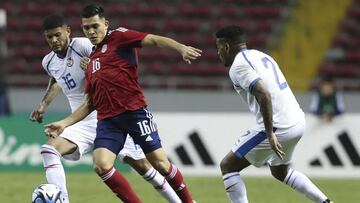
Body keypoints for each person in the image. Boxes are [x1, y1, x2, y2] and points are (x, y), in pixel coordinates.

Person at [44, 5, 201, 203]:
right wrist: (64, 123)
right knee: (101, 165)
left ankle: (188, 201)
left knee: (160, 164)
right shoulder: (91, 60)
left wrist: (180, 48)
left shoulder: (119, 36)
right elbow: (90, 103)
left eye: (95, 26)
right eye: (86, 28)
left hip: (134, 113)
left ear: (105, 24)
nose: (91, 32)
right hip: (108, 121)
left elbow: (152, 39)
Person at [215, 25, 333, 203]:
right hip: (297, 121)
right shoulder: (261, 56)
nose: (218, 53)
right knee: (280, 171)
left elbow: (264, 93)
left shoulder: (238, 65)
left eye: (218, 48)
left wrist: (270, 133)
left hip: (279, 127)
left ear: (226, 47)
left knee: (228, 166)